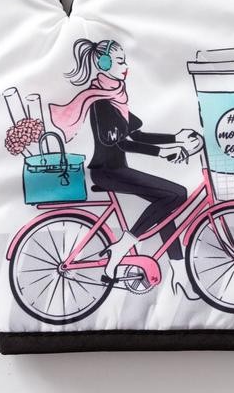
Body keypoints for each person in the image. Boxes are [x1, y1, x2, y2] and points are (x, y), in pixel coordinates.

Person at [49, 38, 202, 299]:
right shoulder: (101, 101)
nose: (125, 66)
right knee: (176, 194)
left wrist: (175, 138)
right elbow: (120, 143)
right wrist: (162, 152)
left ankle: (179, 271)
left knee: (166, 205)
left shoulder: (116, 96)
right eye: (120, 61)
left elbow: (138, 135)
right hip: (108, 172)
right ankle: (121, 248)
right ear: (104, 63)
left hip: (116, 170)